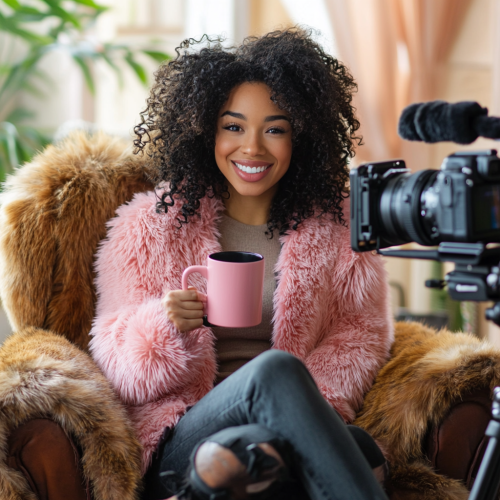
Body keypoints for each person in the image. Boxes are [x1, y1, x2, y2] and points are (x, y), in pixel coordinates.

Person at [89, 28, 394, 500]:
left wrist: (306, 411)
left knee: (257, 454)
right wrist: (165, 325)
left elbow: (358, 337)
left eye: (275, 129)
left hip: (275, 430)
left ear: (301, 139)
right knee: (287, 387)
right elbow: (114, 360)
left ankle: (238, 468)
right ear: (205, 132)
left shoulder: (338, 230)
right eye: (233, 126)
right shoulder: (151, 227)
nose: (252, 147)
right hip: (184, 433)